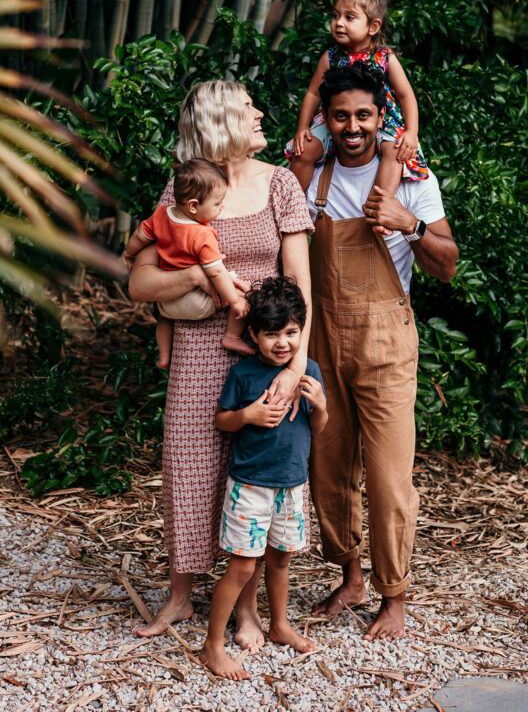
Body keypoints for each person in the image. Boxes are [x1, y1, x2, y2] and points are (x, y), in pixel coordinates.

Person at [128, 80, 313, 645]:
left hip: (268, 349)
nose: (261, 112)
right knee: (190, 465)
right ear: (222, 121)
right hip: (198, 350)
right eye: (249, 107)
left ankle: (248, 609)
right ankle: (180, 597)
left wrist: (292, 365)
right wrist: (200, 276)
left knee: (255, 466)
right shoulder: (184, 189)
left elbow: (303, 284)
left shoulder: (281, 184)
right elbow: (138, 282)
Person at [300, 62, 458, 641]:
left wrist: (409, 224)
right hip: (321, 341)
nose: (352, 127)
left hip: (387, 342)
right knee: (329, 469)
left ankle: (394, 595)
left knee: (390, 479)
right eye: (340, 116)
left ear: (381, 116)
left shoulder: (412, 179)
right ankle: (350, 577)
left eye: (363, 115)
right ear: (328, 119)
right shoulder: (311, 180)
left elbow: (448, 263)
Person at [198, 277, 327, 681]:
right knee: (241, 566)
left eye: (291, 333)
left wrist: (320, 405)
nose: (283, 342)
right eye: (272, 334)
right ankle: (212, 646)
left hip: (292, 484)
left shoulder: (310, 371)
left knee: (281, 560)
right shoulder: (244, 374)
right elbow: (222, 420)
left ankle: (280, 624)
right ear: (253, 334)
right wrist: (248, 415)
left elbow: (318, 428)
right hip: (251, 486)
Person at [285, 0, 428, 201]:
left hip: (382, 120)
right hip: (335, 119)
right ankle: (288, 203)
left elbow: (406, 95)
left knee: (395, 153)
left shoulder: (385, 58)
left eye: (349, 17)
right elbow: (313, 93)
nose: (339, 23)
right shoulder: (331, 57)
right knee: (305, 150)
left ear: (374, 26)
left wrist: (411, 132)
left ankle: (379, 206)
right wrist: (303, 127)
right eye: (335, 16)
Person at [122, 158, 253, 369]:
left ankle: (164, 357)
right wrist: (235, 301)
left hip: (167, 301)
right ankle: (231, 336)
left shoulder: (161, 214)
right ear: (194, 206)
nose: (222, 207)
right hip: (196, 303)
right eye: (217, 203)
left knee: (163, 318)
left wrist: (128, 253)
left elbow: (140, 235)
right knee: (241, 290)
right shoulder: (203, 234)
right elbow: (216, 272)